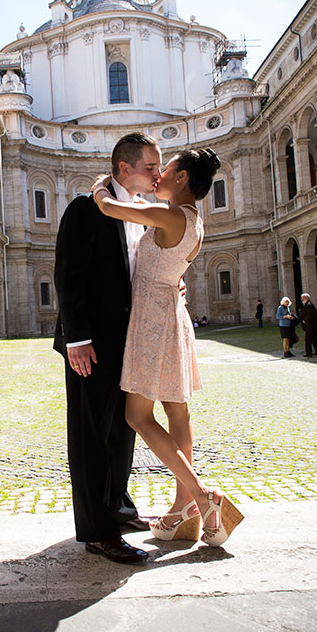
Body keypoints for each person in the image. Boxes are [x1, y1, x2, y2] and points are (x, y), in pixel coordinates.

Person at [91, 148, 244, 548]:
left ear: (181, 178)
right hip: (172, 316)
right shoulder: (193, 220)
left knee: (137, 416)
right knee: (178, 410)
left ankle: (202, 496)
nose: (159, 174)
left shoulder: (169, 215)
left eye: (167, 168)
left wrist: (99, 190)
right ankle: (182, 510)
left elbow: (110, 208)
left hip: (152, 321)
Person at [54, 133, 163, 564]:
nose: (158, 174)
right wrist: (76, 338)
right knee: (91, 435)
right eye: (150, 167)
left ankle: (117, 507)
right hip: (92, 346)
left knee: (123, 429)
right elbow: (68, 275)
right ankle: (98, 532)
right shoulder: (86, 208)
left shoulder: (140, 213)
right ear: (124, 168)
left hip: (129, 341)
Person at [300, 293, 317, 357]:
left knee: (308, 340)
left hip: (310, 325)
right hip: (313, 326)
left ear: (305, 298)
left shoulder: (308, 305)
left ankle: (309, 353)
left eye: (302, 298)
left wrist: (305, 320)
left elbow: (310, 314)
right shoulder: (308, 304)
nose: (301, 299)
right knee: (314, 339)